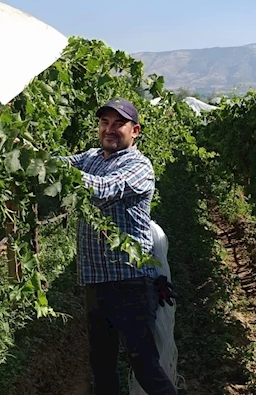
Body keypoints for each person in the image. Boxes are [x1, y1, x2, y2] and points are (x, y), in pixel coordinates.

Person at [60, 98, 177, 395]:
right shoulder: (91, 157)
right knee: (101, 366)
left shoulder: (138, 166)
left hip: (130, 283)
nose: (109, 129)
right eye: (104, 123)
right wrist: (26, 152)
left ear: (135, 130)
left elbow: (103, 189)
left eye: (118, 124)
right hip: (96, 282)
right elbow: (59, 164)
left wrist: (54, 170)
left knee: (145, 367)